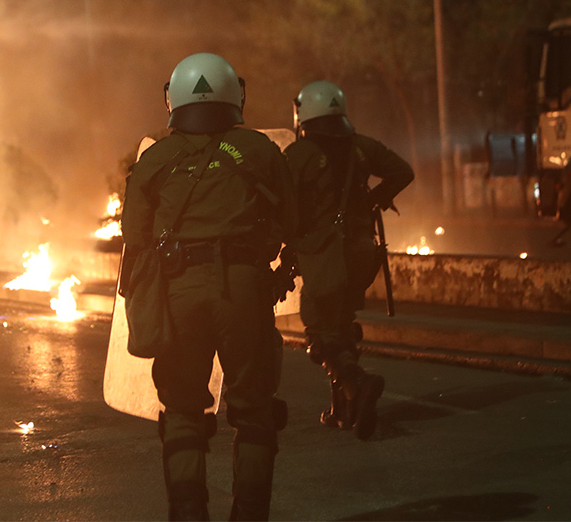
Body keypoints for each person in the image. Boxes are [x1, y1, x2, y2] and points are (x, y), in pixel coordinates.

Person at [120, 53, 297, 520]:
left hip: (177, 293)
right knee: (255, 409)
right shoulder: (260, 150)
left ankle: (188, 514)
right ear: (236, 93)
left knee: (182, 410)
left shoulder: (155, 159)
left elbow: (134, 236)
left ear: (172, 99)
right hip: (243, 289)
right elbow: (290, 219)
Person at [283, 80, 413, 440]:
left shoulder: (299, 155)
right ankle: (346, 408)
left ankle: (359, 381)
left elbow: (283, 203)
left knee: (320, 333)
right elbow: (403, 171)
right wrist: (375, 199)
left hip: (323, 255)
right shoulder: (362, 146)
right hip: (360, 253)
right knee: (341, 325)